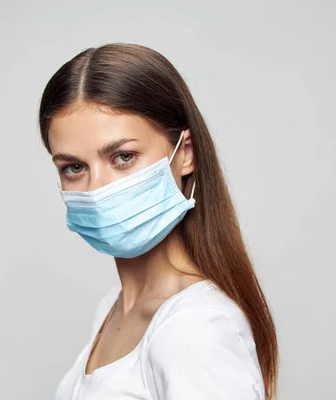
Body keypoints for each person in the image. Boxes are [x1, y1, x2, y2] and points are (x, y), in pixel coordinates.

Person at [38, 43, 278, 400]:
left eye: (123, 156)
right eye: (74, 167)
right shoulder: (112, 309)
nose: (98, 189)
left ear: (185, 154)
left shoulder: (195, 326)